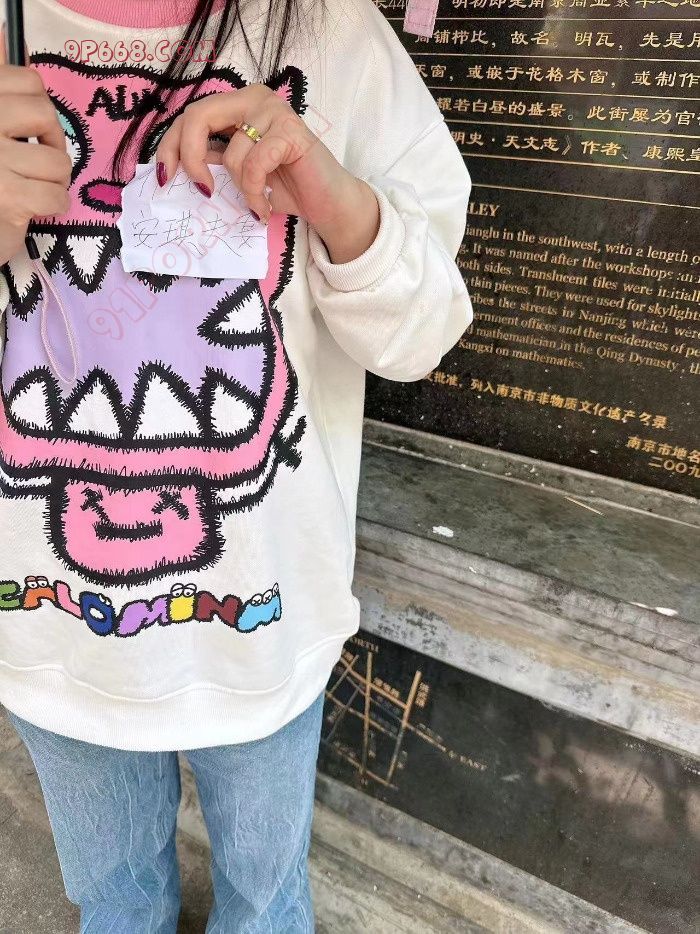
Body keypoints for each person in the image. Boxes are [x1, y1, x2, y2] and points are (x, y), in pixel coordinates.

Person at [0, 0, 473, 929]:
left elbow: (423, 332)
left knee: (266, 907)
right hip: (45, 636)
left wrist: (329, 193)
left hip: (263, 630)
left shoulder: (333, 36)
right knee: (114, 907)